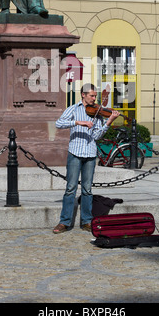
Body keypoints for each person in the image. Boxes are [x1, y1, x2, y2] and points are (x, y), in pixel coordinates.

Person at [53, 83, 120, 234]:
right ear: (83, 95)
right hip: (75, 153)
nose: (94, 99)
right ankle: (64, 222)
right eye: (92, 96)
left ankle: (86, 221)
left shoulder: (97, 113)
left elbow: (96, 136)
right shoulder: (73, 109)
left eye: (95, 96)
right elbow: (58, 123)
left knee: (87, 190)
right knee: (70, 188)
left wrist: (108, 122)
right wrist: (78, 122)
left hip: (90, 153)